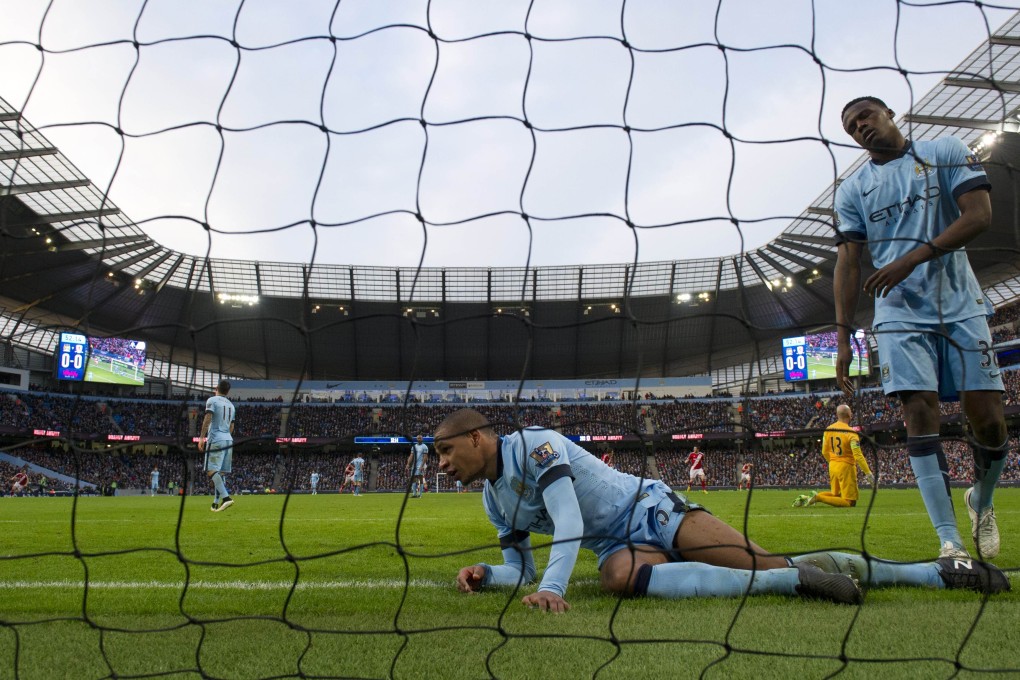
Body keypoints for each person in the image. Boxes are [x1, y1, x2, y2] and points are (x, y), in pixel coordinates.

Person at [434, 409, 1007, 613]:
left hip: (652, 511)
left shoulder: (537, 444)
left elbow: (568, 520)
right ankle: (795, 585)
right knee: (615, 577)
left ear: (479, 439)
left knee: (759, 561)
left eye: (445, 451)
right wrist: (490, 576)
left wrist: (556, 590)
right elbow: (523, 572)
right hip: (618, 547)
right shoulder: (493, 498)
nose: (441, 464)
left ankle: (935, 571)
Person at [835, 96, 1007, 560]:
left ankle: (982, 500)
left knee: (989, 420)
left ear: (889, 112)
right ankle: (949, 541)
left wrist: (910, 259)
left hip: (961, 305)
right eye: (851, 127)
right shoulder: (852, 190)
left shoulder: (946, 149)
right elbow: (848, 263)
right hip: (897, 315)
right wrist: (843, 338)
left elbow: (980, 216)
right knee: (919, 414)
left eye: (865, 116)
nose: (860, 128)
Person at [796, 405, 874, 508]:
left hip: (832, 465)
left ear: (837, 415)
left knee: (836, 495)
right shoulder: (851, 433)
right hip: (846, 467)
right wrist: (868, 474)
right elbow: (858, 455)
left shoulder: (828, 430)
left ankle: (812, 497)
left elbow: (824, 452)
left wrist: (833, 461)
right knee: (850, 502)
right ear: (850, 415)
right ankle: (818, 498)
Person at [199, 379, 236, 512]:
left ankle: (226, 498)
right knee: (219, 473)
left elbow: (208, 418)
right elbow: (232, 426)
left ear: (216, 388)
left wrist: (202, 437)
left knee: (211, 470)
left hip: (216, 439)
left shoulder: (212, 400)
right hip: (228, 439)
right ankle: (215, 502)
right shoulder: (232, 405)